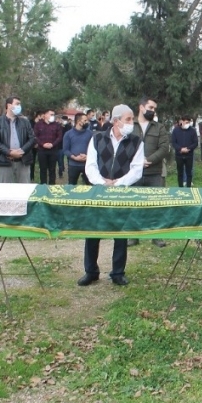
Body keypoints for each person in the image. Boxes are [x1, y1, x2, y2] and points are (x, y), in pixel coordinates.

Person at [78, 104, 145, 287]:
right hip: (99, 191)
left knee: (120, 231)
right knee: (93, 230)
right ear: (116, 121)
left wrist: (118, 183)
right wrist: (102, 183)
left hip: (122, 192)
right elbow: (90, 165)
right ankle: (90, 271)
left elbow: (137, 170)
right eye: (128, 119)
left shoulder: (136, 141)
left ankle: (118, 272)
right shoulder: (97, 138)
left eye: (132, 119)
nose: (132, 123)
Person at [131, 96, 170, 248]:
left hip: (154, 172)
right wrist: (136, 162)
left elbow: (164, 147)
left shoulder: (158, 127)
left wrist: (149, 160)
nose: (153, 111)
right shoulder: (131, 125)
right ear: (141, 107)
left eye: (154, 109)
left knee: (156, 204)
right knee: (134, 204)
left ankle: (157, 236)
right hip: (134, 173)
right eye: (151, 107)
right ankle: (134, 236)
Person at [0, 96, 35, 184]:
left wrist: (22, 151)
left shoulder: (25, 122)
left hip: (23, 160)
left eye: (20, 104)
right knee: (6, 190)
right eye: (17, 104)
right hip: (4, 160)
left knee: (24, 189)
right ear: (9, 105)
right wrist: (9, 152)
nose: (19, 106)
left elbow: (32, 138)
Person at [62, 112, 93, 185]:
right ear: (79, 122)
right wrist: (74, 157)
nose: (87, 122)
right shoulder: (68, 134)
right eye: (85, 120)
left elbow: (94, 148)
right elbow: (65, 150)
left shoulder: (90, 134)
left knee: (90, 185)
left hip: (87, 165)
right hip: (73, 165)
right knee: (71, 185)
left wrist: (88, 157)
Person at [34, 109, 62, 185]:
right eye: (51, 114)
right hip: (42, 150)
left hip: (53, 150)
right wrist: (42, 144)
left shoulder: (57, 125)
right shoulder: (38, 125)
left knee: (52, 169)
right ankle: (43, 185)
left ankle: (52, 185)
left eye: (53, 115)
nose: (53, 116)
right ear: (45, 115)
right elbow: (35, 136)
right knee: (43, 169)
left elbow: (59, 137)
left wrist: (53, 144)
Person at [171, 114, 198, 187]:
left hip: (189, 155)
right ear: (181, 121)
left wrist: (188, 149)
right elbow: (173, 142)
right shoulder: (176, 130)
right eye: (186, 122)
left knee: (189, 172)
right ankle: (180, 187)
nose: (187, 124)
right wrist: (180, 149)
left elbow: (195, 143)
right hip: (179, 155)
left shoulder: (192, 131)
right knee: (180, 172)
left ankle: (188, 187)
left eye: (188, 122)